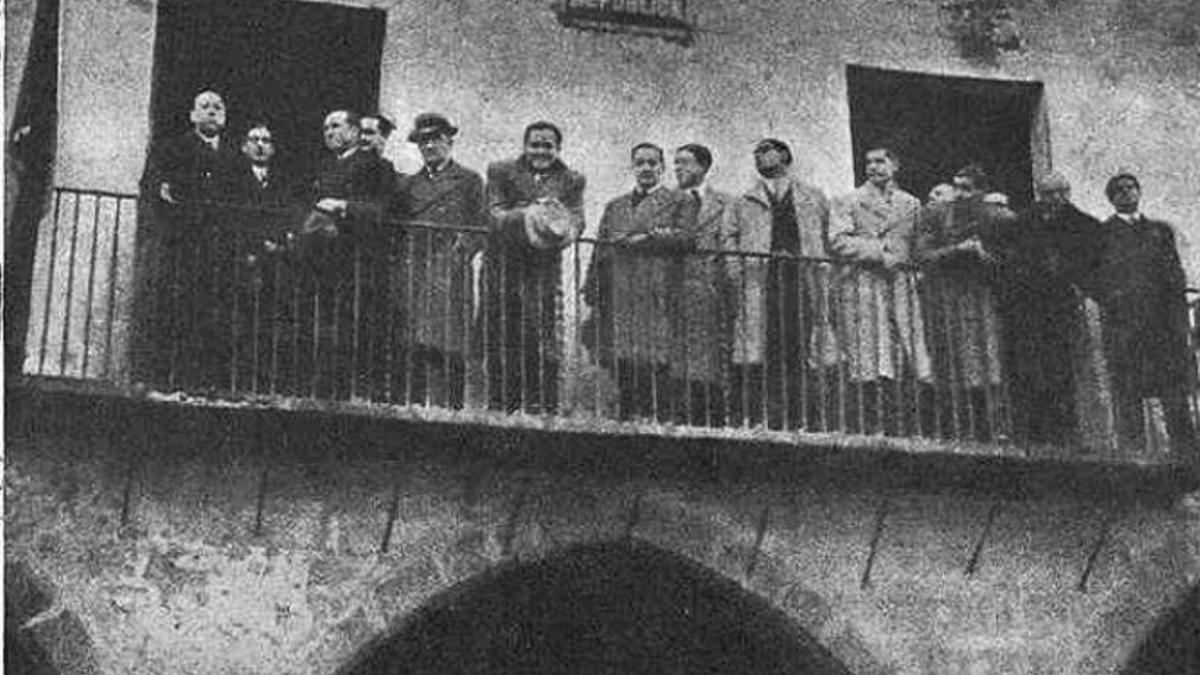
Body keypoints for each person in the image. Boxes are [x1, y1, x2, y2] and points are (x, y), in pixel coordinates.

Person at [134, 90, 242, 390]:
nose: (212, 111)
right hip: (180, 246)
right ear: (192, 115)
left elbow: (245, 201)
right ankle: (168, 381)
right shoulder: (171, 148)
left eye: (218, 107)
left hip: (219, 251)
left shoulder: (235, 158)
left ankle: (209, 383)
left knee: (216, 315)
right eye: (205, 106)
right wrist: (162, 189)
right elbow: (150, 184)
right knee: (176, 311)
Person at [583, 143, 698, 422]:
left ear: (662, 168)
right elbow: (600, 247)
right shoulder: (615, 206)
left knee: (655, 353)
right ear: (633, 167)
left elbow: (687, 238)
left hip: (656, 286)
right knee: (620, 352)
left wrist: (650, 237)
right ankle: (626, 412)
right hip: (620, 288)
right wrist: (592, 287)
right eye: (640, 163)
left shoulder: (679, 200)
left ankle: (654, 415)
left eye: (652, 163)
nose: (646, 168)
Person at [1084, 173, 1196, 458]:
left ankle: (1186, 454)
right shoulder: (1102, 234)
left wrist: (1178, 315)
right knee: (1129, 390)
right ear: (1111, 199)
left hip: (1162, 326)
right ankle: (1134, 456)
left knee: (1173, 391)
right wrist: (1115, 301)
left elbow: (1174, 274)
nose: (1127, 194)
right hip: (1127, 326)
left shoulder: (1159, 231)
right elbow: (1093, 278)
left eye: (1131, 188)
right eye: (1119, 191)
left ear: (1139, 192)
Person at [483, 121, 586, 414]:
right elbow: (493, 215)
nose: (541, 151)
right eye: (535, 145)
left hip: (543, 270)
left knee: (543, 339)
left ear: (558, 148)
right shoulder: (501, 171)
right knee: (502, 335)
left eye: (548, 146)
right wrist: (531, 215)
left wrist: (559, 224)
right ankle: (501, 406)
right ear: (525, 145)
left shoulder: (572, 179)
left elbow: (578, 220)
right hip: (503, 266)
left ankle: (543, 407)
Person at [729, 138, 830, 430]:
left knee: (801, 346)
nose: (758, 156)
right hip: (762, 282)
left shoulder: (813, 197)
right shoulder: (744, 201)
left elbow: (825, 235)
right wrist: (737, 273)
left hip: (801, 280)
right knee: (766, 348)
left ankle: (804, 417)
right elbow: (729, 237)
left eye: (765, 150)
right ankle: (771, 417)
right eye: (756, 153)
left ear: (784, 155)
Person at [296, 109, 397, 399]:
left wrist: (344, 206)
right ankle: (320, 392)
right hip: (319, 261)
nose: (329, 132)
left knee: (352, 329)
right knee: (321, 328)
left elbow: (384, 211)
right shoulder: (321, 166)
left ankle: (351, 395)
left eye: (336, 126)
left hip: (356, 262)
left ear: (354, 131)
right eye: (326, 127)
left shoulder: (377, 166)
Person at [828, 147, 930, 435]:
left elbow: (918, 243)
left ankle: (903, 424)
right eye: (869, 162)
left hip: (899, 285)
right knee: (868, 355)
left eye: (880, 161)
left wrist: (915, 268)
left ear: (894, 165)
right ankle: (868, 423)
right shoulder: (848, 200)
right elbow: (838, 241)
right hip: (863, 284)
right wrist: (880, 252)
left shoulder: (910, 203)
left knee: (903, 350)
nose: (873, 167)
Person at [998, 172, 1101, 446]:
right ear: (1038, 194)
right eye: (1048, 193)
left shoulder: (1084, 225)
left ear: (1068, 193)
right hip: (1028, 308)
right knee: (1029, 369)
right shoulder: (1022, 223)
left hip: (1063, 308)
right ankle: (1033, 433)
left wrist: (1077, 282)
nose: (1054, 198)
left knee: (1064, 370)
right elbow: (1006, 259)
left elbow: (1094, 265)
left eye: (1060, 192)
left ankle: (1068, 433)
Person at [391, 113, 487, 409]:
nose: (430, 146)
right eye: (424, 141)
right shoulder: (409, 185)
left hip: (451, 269)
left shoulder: (469, 180)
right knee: (415, 341)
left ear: (449, 142)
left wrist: (465, 246)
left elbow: (482, 225)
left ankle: (453, 410)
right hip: (417, 268)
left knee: (452, 343)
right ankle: (416, 406)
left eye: (436, 139)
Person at [915, 163, 1013, 442]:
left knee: (986, 364)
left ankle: (991, 429)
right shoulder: (936, 215)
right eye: (956, 187)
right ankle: (954, 430)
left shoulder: (999, 218)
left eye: (966, 189)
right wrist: (957, 249)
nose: (959, 194)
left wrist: (984, 255)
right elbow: (922, 254)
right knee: (950, 364)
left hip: (983, 300)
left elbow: (1013, 260)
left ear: (982, 191)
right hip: (947, 301)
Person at [670, 143, 738, 426]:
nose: (678, 168)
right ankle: (679, 413)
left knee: (713, 353)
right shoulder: (666, 201)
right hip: (675, 286)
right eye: (676, 163)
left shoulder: (726, 203)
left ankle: (713, 415)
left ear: (703, 166)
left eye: (685, 162)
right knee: (678, 353)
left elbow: (730, 243)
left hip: (712, 288)